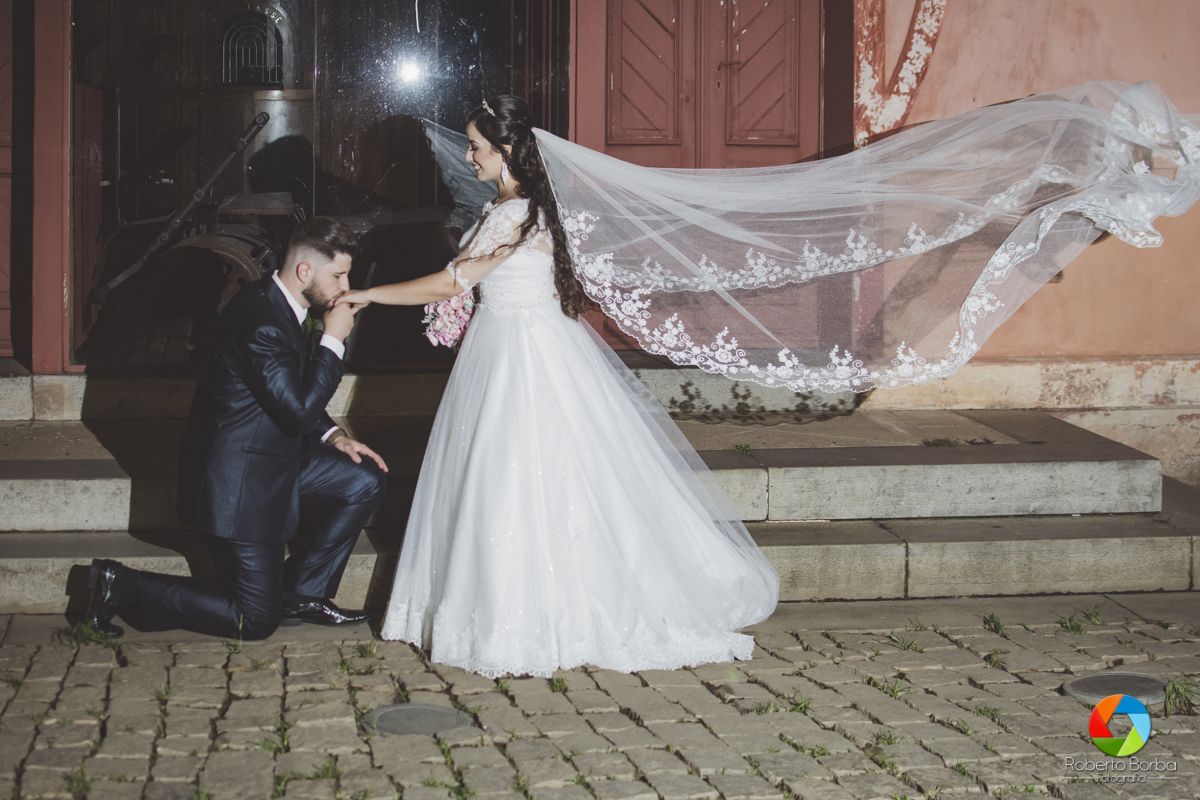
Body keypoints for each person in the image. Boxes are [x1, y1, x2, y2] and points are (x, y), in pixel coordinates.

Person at [337, 96, 779, 678]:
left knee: (509, 471)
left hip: (516, 355)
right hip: (531, 343)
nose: (467, 156)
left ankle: (518, 616)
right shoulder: (528, 210)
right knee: (544, 470)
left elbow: (450, 283)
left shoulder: (510, 215)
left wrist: (368, 294)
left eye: (476, 146)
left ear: (507, 150)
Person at [83, 217, 389, 640]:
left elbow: (287, 393)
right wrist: (333, 340)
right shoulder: (260, 319)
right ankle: (120, 584)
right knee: (254, 621)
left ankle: (301, 594)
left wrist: (334, 436)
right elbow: (298, 411)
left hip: (274, 461)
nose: (346, 286)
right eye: (338, 275)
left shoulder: (281, 304)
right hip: (240, 486)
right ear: (305, 271)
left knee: (364, 478)